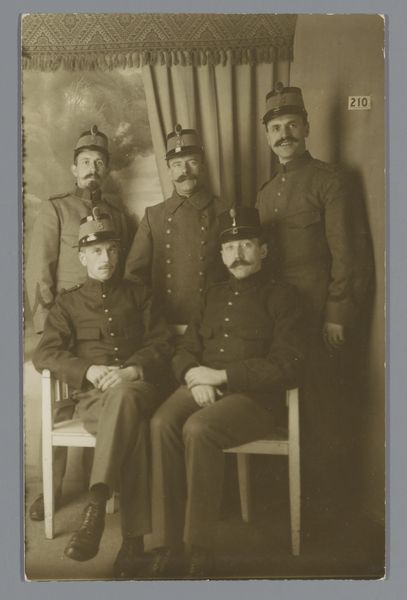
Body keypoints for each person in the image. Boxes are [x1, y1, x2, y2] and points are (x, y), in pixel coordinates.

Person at [148, 206, 305, 578]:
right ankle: (166, 544)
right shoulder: (212, 295)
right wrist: (194, 376)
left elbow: (288, 364)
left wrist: (220, 376)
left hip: (254, 399)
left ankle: (199, 548)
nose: (238, 255)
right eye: (230, 248)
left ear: (263, 250)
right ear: (221, 255)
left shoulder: (283, 297)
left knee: (199, 429)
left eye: (246, 245)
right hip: (201, 386)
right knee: (161, 423)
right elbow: (185, 349)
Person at [33, 212, 173, 578]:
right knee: (133, 426)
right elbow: (45, 354)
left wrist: (132, 369)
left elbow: (162, 343)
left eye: (111, 250)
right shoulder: (68, 304)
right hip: (94, 399)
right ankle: (132, 544)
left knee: (126, 398)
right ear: (82, 257)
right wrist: (87, 370)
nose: (105, 258)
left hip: (139, 389)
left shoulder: (140, 295)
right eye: (96, 251)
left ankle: (96, 503)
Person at [256, 82, 372, 514]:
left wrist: (337, 314)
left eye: (291, 125)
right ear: (267, 136)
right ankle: (291, 504)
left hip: (319, 318)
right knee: (283, 410)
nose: (284, 135)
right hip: (279, 324)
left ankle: (332, 510)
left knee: (324, 410)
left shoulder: (329, 180)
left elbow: (348, 254)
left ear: (306, 128)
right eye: (275, 128)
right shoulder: (265, 193)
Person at [27, 125, 132, 522]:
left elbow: (121, 275)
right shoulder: (56, 209)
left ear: (106, 170)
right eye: (85, 162)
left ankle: (98, 486)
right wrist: (46, 331)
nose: (92, 169)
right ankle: (51, 489)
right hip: (63, 324)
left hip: (103, 327)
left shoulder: (119, 216)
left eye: (99, 163)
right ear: (74, 169)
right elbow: (41, 271)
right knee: (59, 408)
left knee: (103, 397)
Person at [124, 124, 226, 325]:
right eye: (177, 164)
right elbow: (134, 277)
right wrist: (150, 318)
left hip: (213, 320)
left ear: (203, 166)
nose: (184, 171)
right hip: (166, 322)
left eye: (192, 162)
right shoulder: (153, 216)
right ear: (169, 171)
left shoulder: (224, 210)